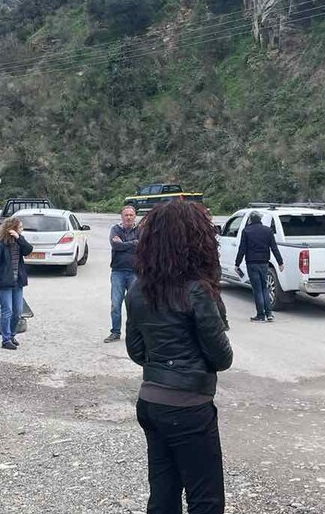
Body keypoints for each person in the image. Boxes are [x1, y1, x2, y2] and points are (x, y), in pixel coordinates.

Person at [125, 201, 233, 514]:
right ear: (197, 242)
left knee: (163, 495)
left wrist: (162, 362)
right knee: (206, 500)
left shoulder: (138, 289)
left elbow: (136, 351)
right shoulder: (197, 290)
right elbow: (222, 357)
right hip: (188, 408)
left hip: (151, 403)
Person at [234, 211, 284, 322]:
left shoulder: (246, 231)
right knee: (264, 288)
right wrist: (280, 262)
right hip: (264, 263)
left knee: (257, 289)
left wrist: (237, 263)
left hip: (252, 263)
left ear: (250, 220)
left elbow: (242, 249)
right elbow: (274, 248)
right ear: (260, 219)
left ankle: (260, 315)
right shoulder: (268, 231)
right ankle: (269, 314)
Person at [0, 216, 32, 351]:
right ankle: (6, 339)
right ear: (12, 228)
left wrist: (19, 238)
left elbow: (28, 250)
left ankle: (12, 335)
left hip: (17, 281)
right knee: (7, 310)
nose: (22, 229)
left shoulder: (20, 240)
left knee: (18, 311)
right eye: (20, 227)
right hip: (4, 281)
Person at [105, 205, 140, 343]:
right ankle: (115, 332)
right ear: (122, 217)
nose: (128, 217)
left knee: (135, 304)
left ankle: (135, 334)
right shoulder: (115, 229)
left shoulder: (141, 230)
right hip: (118, 272)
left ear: (135, 216)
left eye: (131, 215)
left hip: (135, 272)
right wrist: (134, 243)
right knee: (115, 304)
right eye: (126, 215)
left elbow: (142, 246)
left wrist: (124, 244)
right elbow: (115, 246)